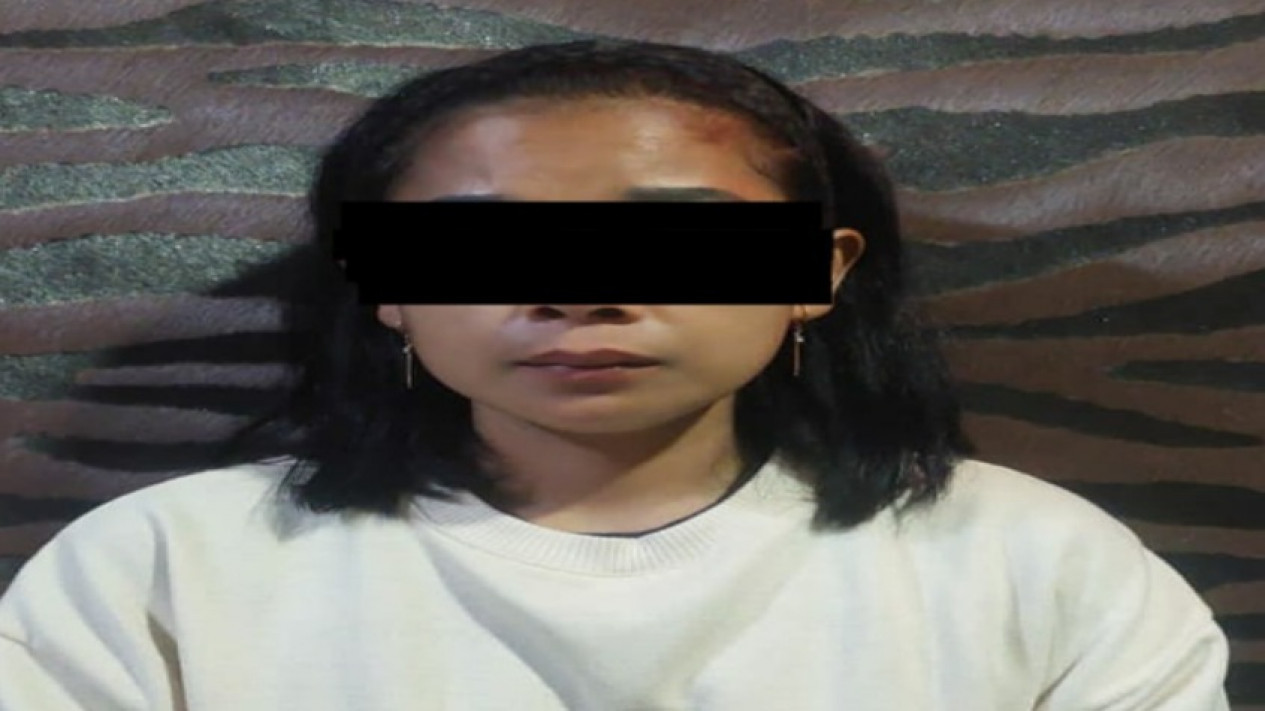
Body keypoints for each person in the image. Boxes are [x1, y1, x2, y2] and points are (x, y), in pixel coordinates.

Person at [0, 39, 1229, 710]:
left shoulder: (1033, 564)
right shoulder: (159, 571)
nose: (579, 292)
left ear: (816, 270)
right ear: (385, 284)